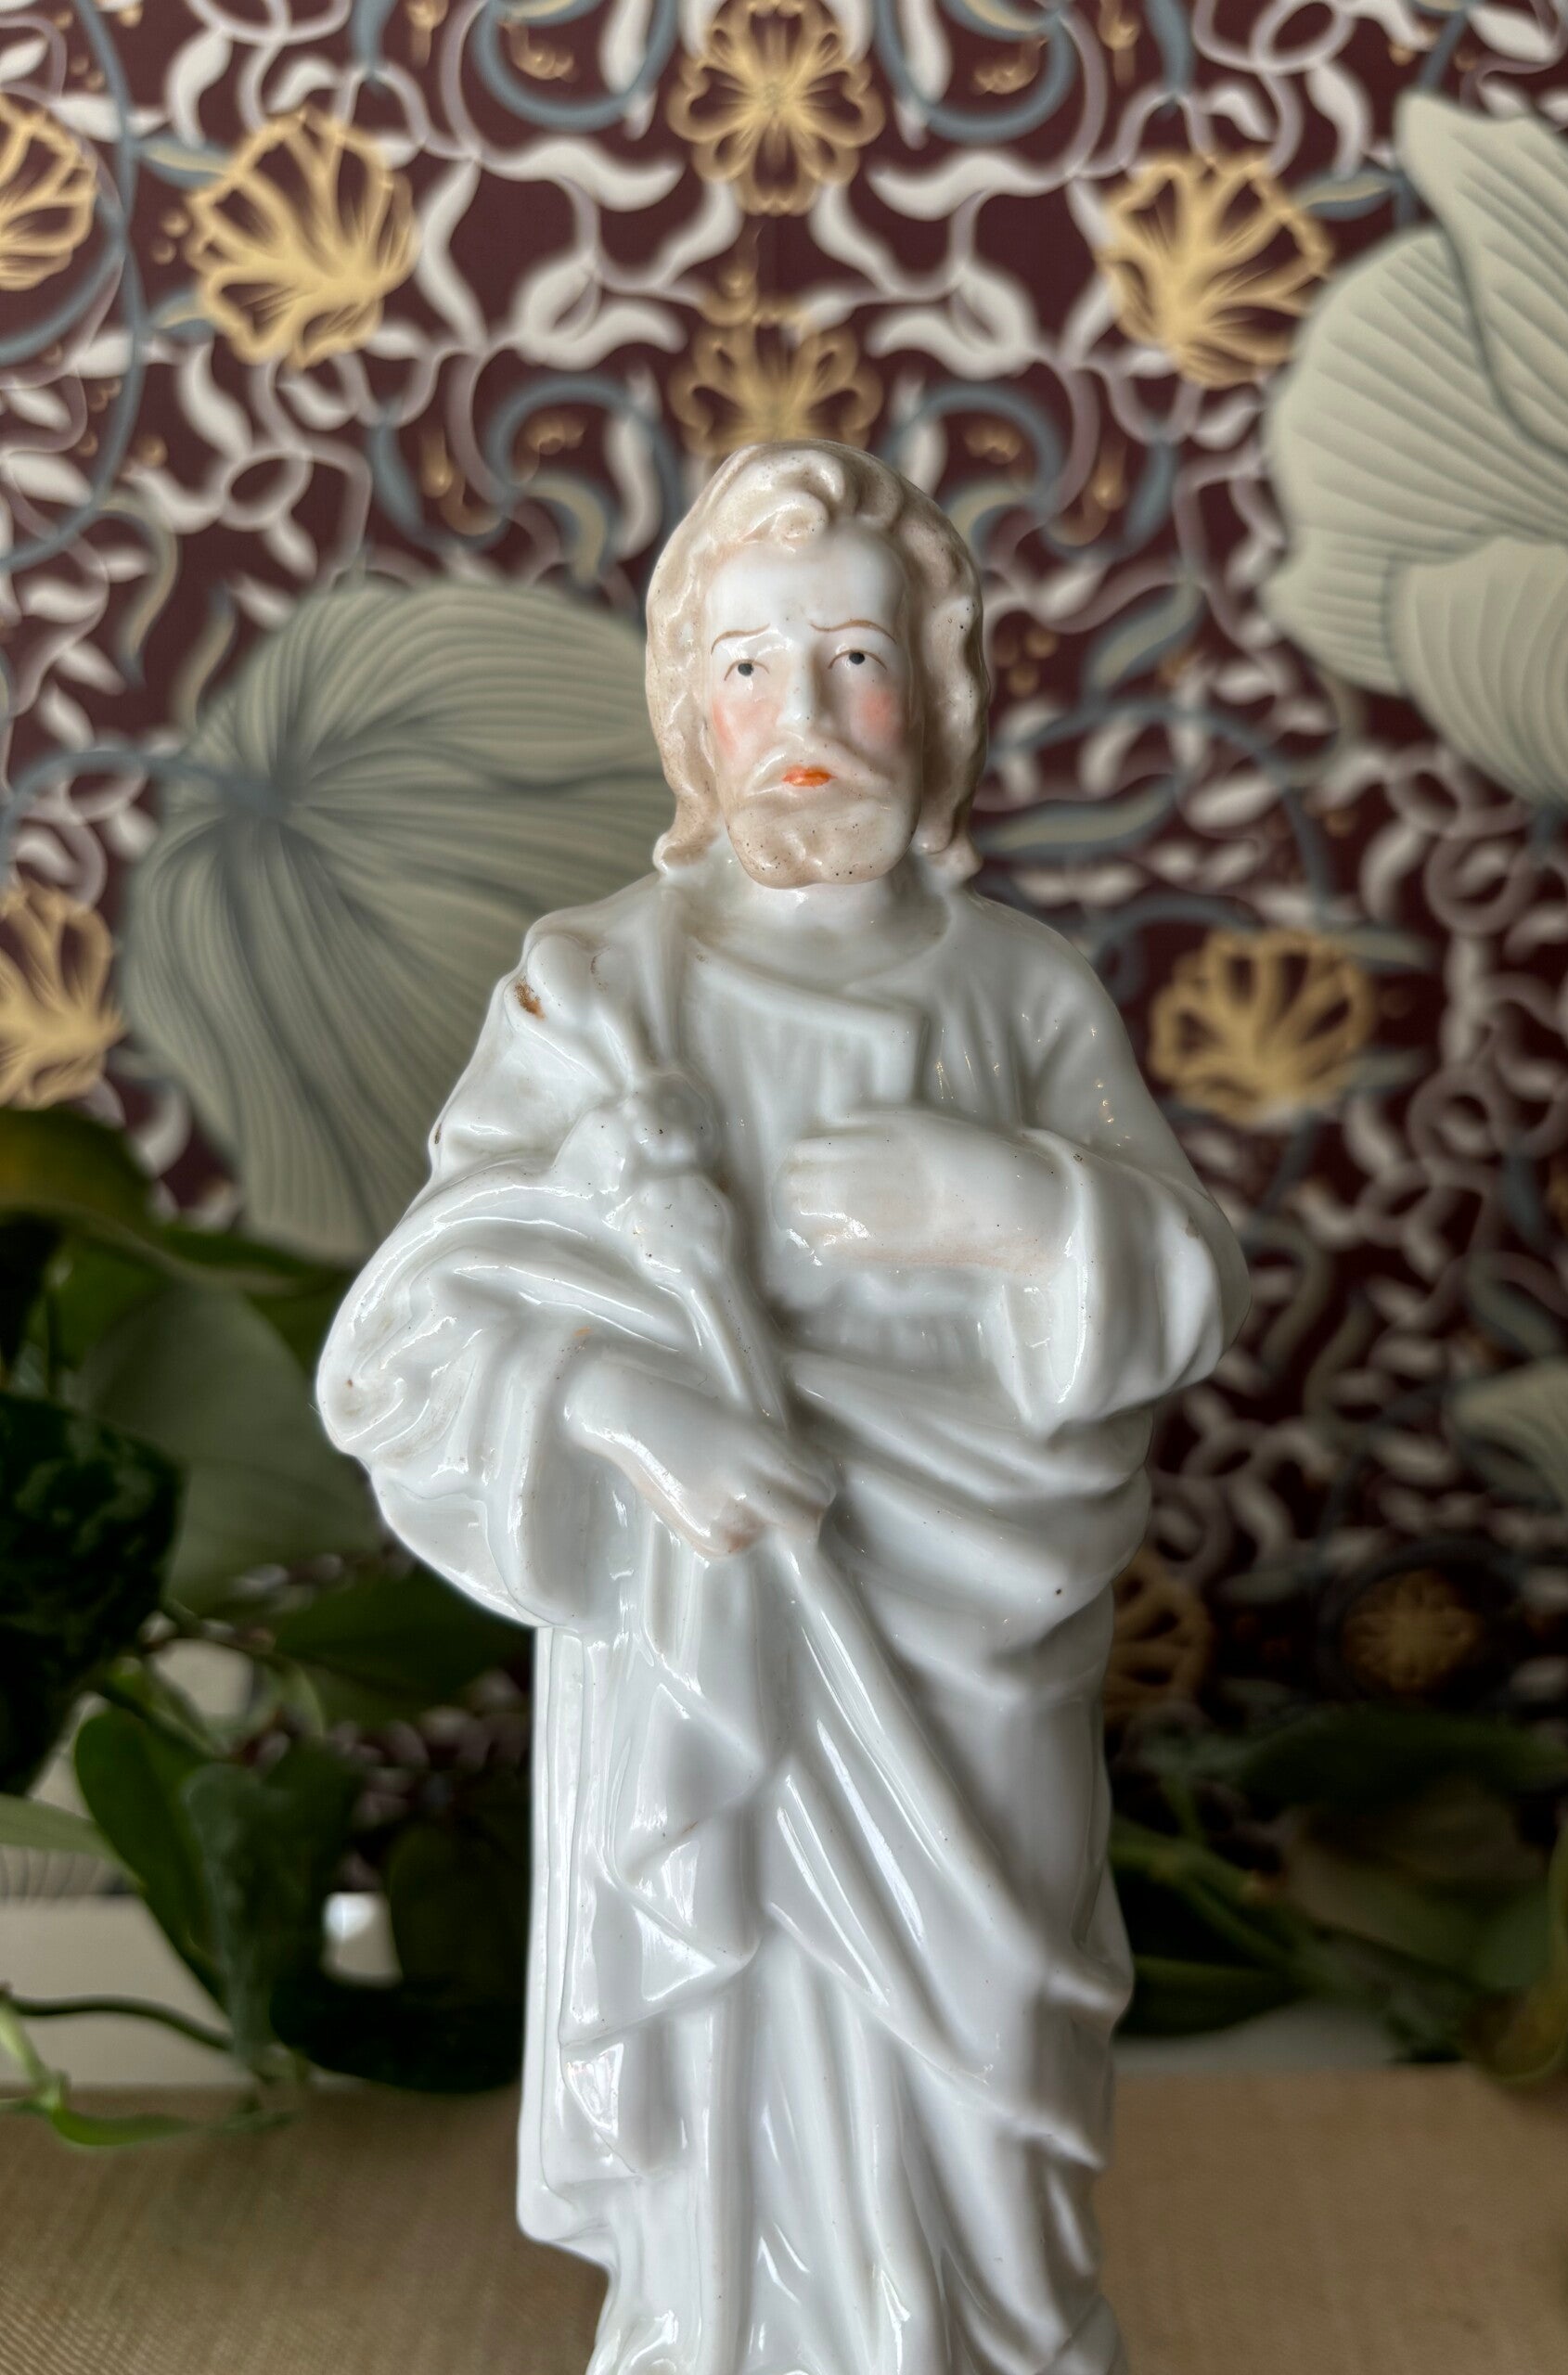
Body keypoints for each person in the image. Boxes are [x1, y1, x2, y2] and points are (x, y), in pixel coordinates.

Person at [317, 440, 1248, 2375]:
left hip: (966, 1636)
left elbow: (1182, 1272)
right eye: (748, 668)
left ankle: (984, 2330)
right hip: (704, 1625)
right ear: (687, 706)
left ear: (940, 693)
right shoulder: (597, 993)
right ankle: (715, 2329)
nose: (803, 718)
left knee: (985, 2047)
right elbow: (423, 1322)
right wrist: (623, 1405)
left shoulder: (1021, 992)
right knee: (732, 2012)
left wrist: (1015, 1206)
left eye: (855, 660)